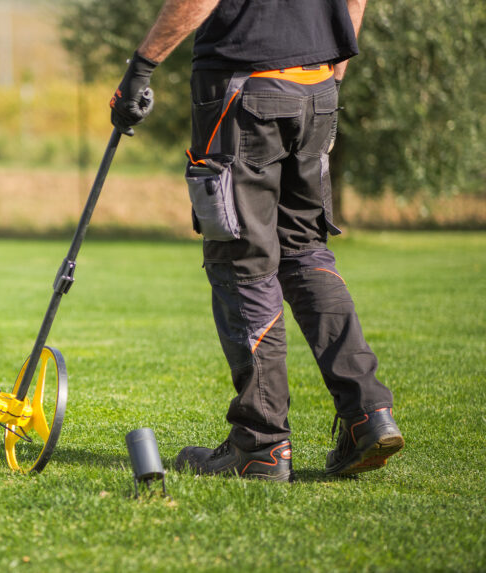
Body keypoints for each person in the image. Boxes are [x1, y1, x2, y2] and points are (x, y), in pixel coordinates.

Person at [110, 0, 403, 481]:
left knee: (241, 258)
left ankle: (260, 445)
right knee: (305, 251)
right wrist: (332, 65)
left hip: (242, 89)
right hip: (317, 83)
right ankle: (369, 416)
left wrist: (140, 69)